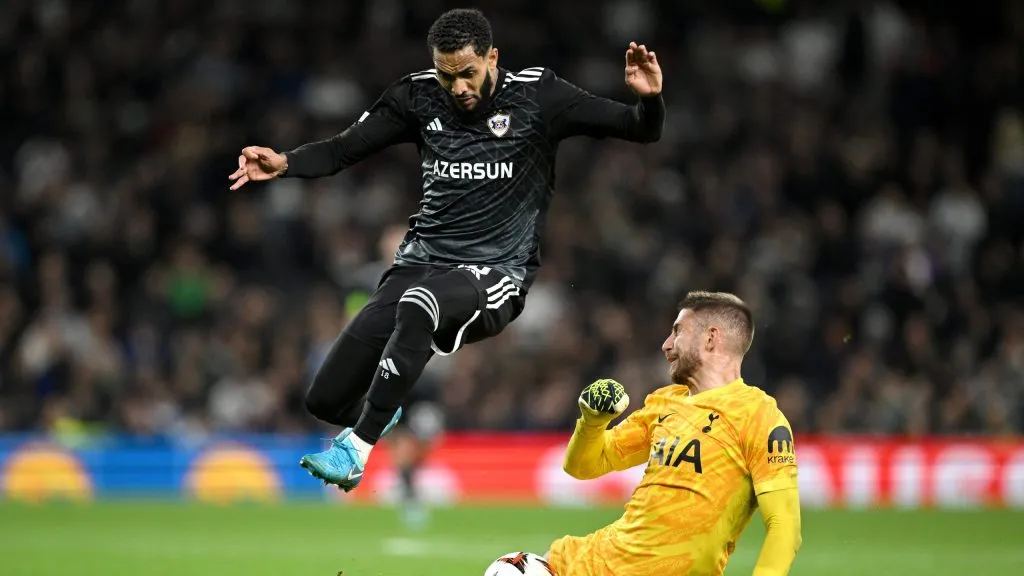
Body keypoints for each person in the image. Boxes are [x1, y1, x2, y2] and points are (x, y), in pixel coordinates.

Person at [227, 7, 665, 492]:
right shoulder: (415, 96)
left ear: (492, 57)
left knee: (421, 307)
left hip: (497, 272)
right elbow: (341, 150)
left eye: (468, 73)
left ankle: (358, 449)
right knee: (326, 400)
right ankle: (394, 418)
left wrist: (649, 101)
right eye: (446, 74)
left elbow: (639, 128)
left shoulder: (540, 95)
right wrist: (285, 162)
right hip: (419, 263)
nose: (457, 87)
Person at [546, 291, 802, 576]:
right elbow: (583, 466)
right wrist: (592, 422)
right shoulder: (666, 402)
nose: (666, 345)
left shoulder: (758, 416)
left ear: (710, 338)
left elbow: (784, 527)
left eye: (677, 332)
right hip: (577, 565)